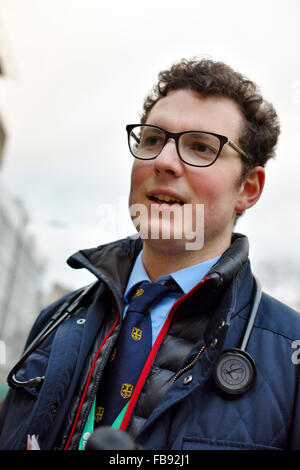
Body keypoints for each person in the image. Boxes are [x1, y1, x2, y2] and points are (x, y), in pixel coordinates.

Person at [0, 58, 300, 451]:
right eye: (153, 140)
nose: (163, 161)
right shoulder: (55, 321)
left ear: (249, 188)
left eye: (200, 147)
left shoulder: (289, 355)